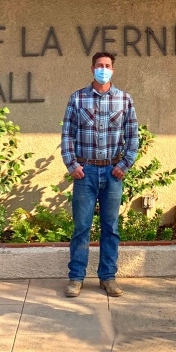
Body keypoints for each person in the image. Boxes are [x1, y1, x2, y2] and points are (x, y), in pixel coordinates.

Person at [61, 52, 139, 298]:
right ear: (92, 68)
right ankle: (76, 278)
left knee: (111, 227)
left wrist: (124, 165)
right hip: (86, 173)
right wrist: (73, 166)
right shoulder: (78, 98)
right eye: (99, 66)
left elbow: (133, 137)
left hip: (113, 172)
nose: (103, 69)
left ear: (113, 70)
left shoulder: (124, 100)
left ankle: (108, 277)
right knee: (81, 227)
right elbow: (67, 135)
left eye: (107, 66)